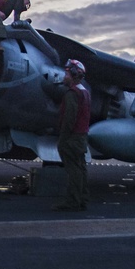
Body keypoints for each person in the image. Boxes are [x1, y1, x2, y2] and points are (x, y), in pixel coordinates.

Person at [54, 59, 91, 212]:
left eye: (67, 72)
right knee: (80, 169)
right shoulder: (85, 92)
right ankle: (82, 199)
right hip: (81, 137)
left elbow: (69, 118)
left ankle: (72, 201)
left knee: (73, 170)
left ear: (74, 74)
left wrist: (62, 139)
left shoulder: (72, 94)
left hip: (72, 137)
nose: (64, 75)